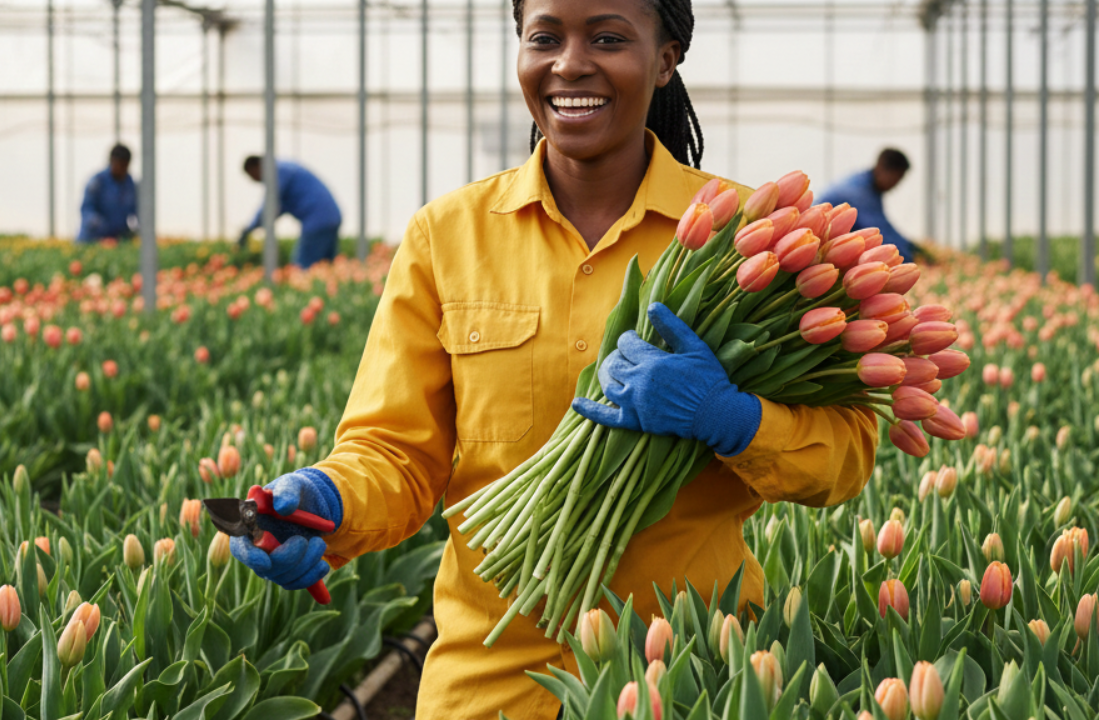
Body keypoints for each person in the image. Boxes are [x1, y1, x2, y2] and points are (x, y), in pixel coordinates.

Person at [228, 1, 878, 718]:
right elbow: (396, 451)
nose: (570, 63)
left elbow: (845, 455)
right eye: (545, 37)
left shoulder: (752, 237)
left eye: (607, 37)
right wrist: (330, 498)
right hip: (493, 674)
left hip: (686, 671)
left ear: (665, 58)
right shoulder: (448, 236)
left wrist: (731, 417)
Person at [238, 157, 343, 269]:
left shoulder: (278, 171)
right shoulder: (285, 168)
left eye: (251, 175)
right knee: (326, 267)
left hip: (318, 219)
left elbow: (270, 205)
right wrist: (256, 225)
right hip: (331, 216)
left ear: (256, 167)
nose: (253, 180)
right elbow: (278, 208)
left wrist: (250, 228)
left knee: (301, 268)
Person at [818, 148, 916, 263]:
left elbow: (884, 225)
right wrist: (909, 258)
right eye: (898, 178)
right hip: (819, 247)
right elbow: (879, 234)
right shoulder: (860, 193)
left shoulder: (869, 185)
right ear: (884, 169)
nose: (896, 185)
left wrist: (912, 247)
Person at [77, 144, 137, 242]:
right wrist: (99, 225)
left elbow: (134, 209)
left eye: (125, 166)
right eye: (120, 165)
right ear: (112, 161)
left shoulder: (129, 183)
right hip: (92, 239)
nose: (122, 169)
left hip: (116, 239)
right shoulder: (97, 182)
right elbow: (87, 209)